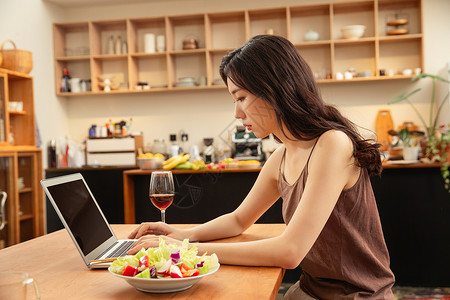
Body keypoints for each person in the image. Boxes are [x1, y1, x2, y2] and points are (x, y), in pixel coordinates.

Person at [127, 35, 395, 299]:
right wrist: (184, 235)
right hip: (311, 291)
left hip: (358, 295)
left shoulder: (332, 144)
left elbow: (290, 252)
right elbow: (238, 220)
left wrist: (186, 249)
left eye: (241, 97)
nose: (236, 114)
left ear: (274, 90)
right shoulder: (282, 156)